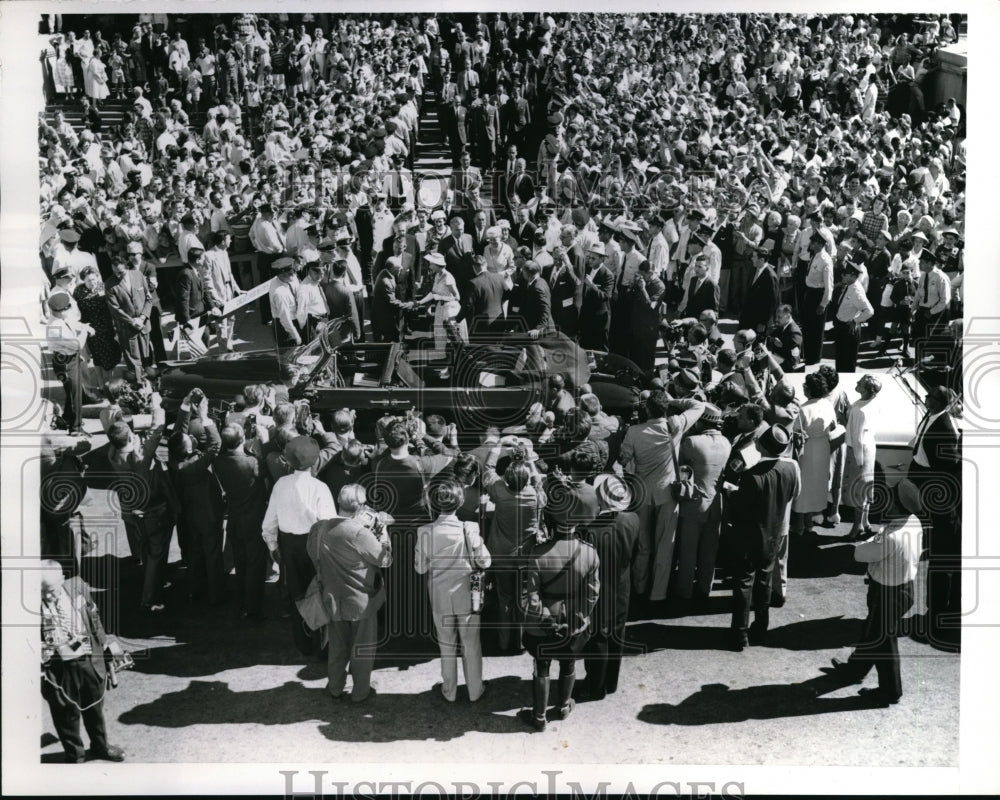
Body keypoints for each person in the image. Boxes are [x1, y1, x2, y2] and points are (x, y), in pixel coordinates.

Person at [821, 514, 922, 704]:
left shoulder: (891, 536)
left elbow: (860, 553)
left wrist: (870, 541)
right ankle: (855, 670)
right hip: (904, 588)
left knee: (882, 639)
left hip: (886, 593)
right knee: (872, 630)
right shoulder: (913, 521)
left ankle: (891, 690)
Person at [518, 498, 600, 732]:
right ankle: (563, 706)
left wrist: (545, 618)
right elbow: (592, 594)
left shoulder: (538, 553)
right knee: (569, 663)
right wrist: (577, 617)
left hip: (543, 622)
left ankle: (539, 717)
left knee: (541, 665)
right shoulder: (590, 553)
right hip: (574, 621)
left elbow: (531, 593)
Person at [307, 484, 392, 703]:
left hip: (333, 597)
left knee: (337, 646)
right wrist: (383, 533)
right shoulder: (359, 533)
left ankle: (335, 686)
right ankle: (360, 692)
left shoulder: (320, 528)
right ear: (360, 507)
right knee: (362, 648)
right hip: (361, 600)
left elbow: (312, 552)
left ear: (339, 501)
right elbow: (385, 559)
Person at [618, 390, 705, 601]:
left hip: (642, 494)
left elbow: (623, 459)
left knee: (643, 545)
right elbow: (699, 406)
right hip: (668, 493)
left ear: (647, 409)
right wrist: (673, 399)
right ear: (665, 408)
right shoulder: (675, 425)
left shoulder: (634, 432)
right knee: (665, 545)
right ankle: (658, 593)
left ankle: (639, 587)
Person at [40, 560, 125, 763]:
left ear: (62, 580)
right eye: (42, 591)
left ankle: (100, 746)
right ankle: (74, 754)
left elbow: (94, 618)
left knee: (95, 707)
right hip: (58, 668)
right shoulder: (29, 605)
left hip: (88, 660)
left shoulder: (78, 586)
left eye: (51, 591)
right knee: (65, 713)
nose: (48, 596)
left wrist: (104, 644)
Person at [415, 478, 492, 702]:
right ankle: (475, 690)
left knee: (446, 644)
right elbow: (485, 562)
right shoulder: (470, 528)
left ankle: (449, 691)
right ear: (459, 503)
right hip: (468, 596)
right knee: (471, 643)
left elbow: (420, 568)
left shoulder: (424, 532)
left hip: (439, 596)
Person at [262, 435, 337, 654]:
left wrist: (273, 547)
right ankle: (322, 644)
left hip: (289, 545)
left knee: (297, 593)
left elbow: (269, 522)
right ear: (315, 461)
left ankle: (303, 643)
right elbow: (328, 523)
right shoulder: (319, 488)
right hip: (314, 545)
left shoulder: (280, 485)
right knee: (320, 592)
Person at [728, 425, 801, 650]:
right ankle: (761, 628)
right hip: (774, 534)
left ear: (760, 445)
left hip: (750, 536)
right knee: (764, 582)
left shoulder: (753, 476)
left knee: (743, 583)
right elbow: (794, 494)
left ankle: (740, 634)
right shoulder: (791, 469)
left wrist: (732, 492)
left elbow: (739, 508)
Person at [576, 475, 639, 702]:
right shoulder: (633, 520)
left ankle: (595, 686)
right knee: (617, 634)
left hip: (598, 589)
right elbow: (637, 553)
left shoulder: (590, 529)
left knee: (598, 638)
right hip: (622, 587)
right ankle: (611, 682)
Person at [480, 437, 546, 653]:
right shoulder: (535, 495)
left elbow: (487, 468)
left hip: (501, 554)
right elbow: (538, 480)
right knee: (523, 599)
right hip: (527, 556)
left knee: (504, 599)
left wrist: (498, 444)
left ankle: (502, 641)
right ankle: (519, 642)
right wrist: (528, 459)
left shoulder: (499, 491)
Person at [167, 391, 225, 605]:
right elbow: (215, 444)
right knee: (212, 554)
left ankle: (194, 590)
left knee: (193, 554)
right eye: (190, 442)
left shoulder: (175, 459)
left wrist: (184, 407)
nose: (192, 439)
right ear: (189, 449)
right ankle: (216, 595)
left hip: (188, 514)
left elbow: (178, 434)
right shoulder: (196, 464)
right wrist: (205, 415)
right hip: (207, 514)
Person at [674, 403, 731, 604]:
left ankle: (684, 591)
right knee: (709, 550)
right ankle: (705, 588)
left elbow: (681, 471)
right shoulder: (726, 443)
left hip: (693, 503)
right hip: (716, 504)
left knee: (688, 552)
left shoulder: (691, 442)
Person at [213, 424, 270, 621]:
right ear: (242, 438)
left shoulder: (219, 461)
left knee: (241, 563)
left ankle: (241, 602)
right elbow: (265, 471)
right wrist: (262, 442)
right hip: (254, 520)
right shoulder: (252, 463)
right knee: (255, 565)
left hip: (235, 521)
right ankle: (252, 607)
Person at [790, 371, 838, 537]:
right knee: (816, 485)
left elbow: (796, 432)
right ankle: (809, 524)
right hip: (823, 447)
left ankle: (800, 526)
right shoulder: (827, 405)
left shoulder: (803, 409)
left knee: (803, 487)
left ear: (809, 390)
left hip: (808, 449)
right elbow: (833, 426)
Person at [45, 293, 93, 433]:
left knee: (72, 392)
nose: (70, 310)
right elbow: (77, 344)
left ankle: (67, 418)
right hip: (64, 362)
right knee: (75, 395)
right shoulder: (55, 328)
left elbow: (72, 323)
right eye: (67, 308)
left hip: (69, 358)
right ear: (59, 311)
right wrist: (85, 330)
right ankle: (76, 428)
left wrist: (85, 326)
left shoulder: (59, 319)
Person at [845, 375, 883, 540]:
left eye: (860, 383)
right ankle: (865, 521)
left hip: (859, 451)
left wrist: (858, 461)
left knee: (858, 489)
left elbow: (857, 437)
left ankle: (857, 525)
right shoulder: (870, 404)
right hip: (870, 447)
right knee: (866, 487)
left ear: (867, 389)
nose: (856, 384)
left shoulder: (859, 410)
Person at [73, 265, 121, 388]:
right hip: (90, 328)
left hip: (106, 326)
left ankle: (110, 382)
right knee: (97, 356)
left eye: (94, 279)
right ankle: (100, 382)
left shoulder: (103, 287)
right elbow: (75, 311)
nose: (92, 282)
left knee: (110, 354)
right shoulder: (78, 291)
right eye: (89, 280)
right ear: (83, 280)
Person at [831, 260, 874, 373]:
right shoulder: (849, 285)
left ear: (853, 275)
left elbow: (869, 311)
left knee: (847, 365)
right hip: (841, 327)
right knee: (840, 362)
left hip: (848, 330)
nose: (842, 275)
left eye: (845, 274)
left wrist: (855, 320)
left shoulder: (856, 291)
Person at [268, 257, 302, 347]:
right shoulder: (280, 294)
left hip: (293, 320)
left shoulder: (285, 280)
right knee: (289, 355)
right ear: (281, 274)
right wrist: (296, 336)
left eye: (293, 272)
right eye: (290, 273)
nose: (293, 275)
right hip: (286, 328)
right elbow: (285, 319)